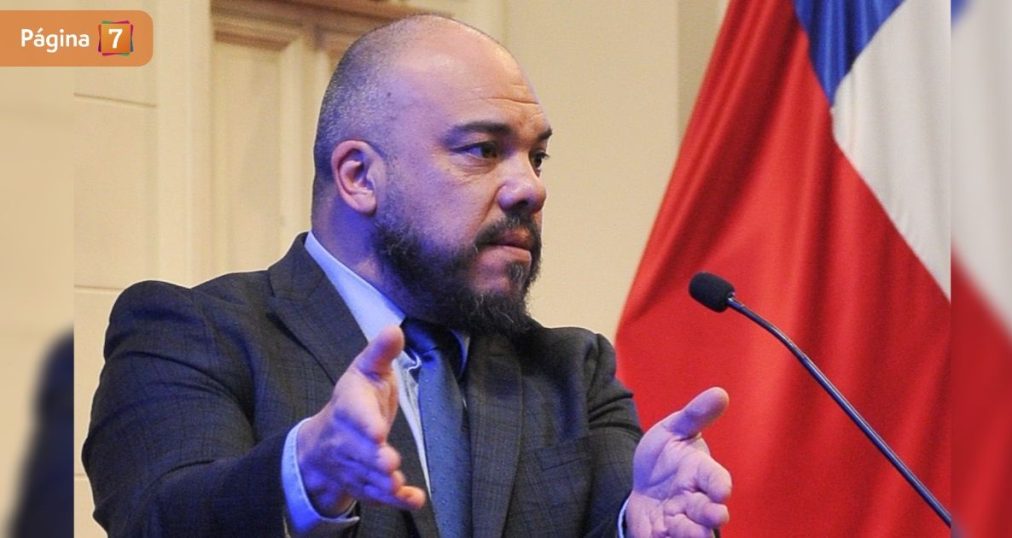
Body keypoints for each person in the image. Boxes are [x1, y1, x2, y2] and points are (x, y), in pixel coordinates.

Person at [83, 14, 731, 537]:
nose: (530, 188)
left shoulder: (573, 371)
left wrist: (640, 527)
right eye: (484, 150)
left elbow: (616, 521)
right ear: (360, 176)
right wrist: (308, 474)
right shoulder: (194, 332)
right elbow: (156, 520)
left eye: (536, 157)